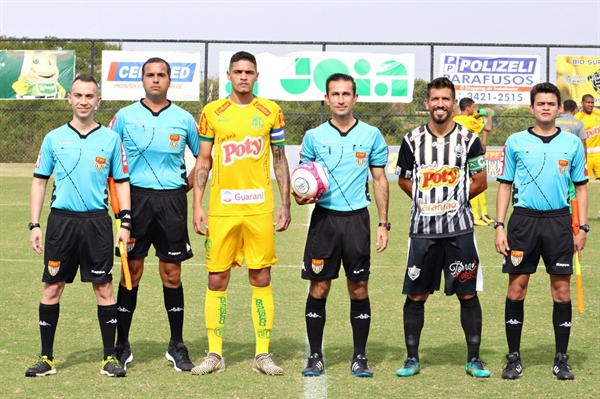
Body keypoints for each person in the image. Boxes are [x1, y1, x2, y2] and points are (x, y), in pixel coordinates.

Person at [191, 51, 291, 376]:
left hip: (260, 209)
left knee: (260, 277)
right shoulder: (212, 112)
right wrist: (197, 205)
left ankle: (262, 354)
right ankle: (215, 355)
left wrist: (286, 203)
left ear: (256, 75)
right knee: (217, 278)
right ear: (229, 75)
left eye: (249, 71)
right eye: (238, 71)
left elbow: (279, 159)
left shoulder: (271, 111)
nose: (243, 77)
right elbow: (203, 161)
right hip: (222, 212)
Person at [26, 74, 130, 377]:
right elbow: (39, 181)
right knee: (52, 287)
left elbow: (122, 183)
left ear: (98, 101)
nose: (84, 101)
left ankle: (109, 358)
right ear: (69, 99)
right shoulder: (54, 138)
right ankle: (46, 358)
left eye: (89, 96)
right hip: (61, 222)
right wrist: (35, 224)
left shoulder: (111, 140)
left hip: (97, 223)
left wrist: (125, 222)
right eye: (78, 96)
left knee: (105, 288)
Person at [395, 77, 490, 378]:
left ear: (453, 102)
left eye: (445, 99)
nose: (439, 104)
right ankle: (412, 359)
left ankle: (474, 359)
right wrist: (425, 201)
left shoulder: (469, 140)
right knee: (416, 295)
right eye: (434, 99)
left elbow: (480, 181)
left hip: (460, 231)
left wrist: (455, 201)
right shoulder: (412, 140)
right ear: (426, 103)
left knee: (467, 293)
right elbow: (403, 178)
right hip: (422, 233)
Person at [295, 73, 389, 378]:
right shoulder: (313, 136)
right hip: (324, 220)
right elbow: (303, 179)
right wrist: (301, 194)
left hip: (357, 221)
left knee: (358, 287)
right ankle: (315, 356)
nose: (340, 99)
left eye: (346, 93)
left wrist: (383, 223)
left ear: (355, 98)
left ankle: (360, 357)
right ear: (327, 98)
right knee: (319, 286)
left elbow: (379, 179)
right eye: (335, 94)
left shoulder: (372, 135)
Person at [108, 57, 200, 372]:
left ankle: (176, 345)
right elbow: (108, 157)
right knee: (130, 273)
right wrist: (119, 204)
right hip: (135, 203)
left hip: (172, 203)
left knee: (172, 273)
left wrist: (183, 190)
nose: (156, 80)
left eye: (161, 75)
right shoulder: (124, 117)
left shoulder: (185, 119)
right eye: (150, 75)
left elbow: (205, 160)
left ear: (169, 80)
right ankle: (122, 344)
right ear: (142, 80)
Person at [495, 82, 588, 381]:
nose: (546, 107)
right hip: (523, 221)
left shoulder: (572, 144)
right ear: (532, 108)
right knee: (516, 288)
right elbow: (505, 185)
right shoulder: (516, 141)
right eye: (540, 103)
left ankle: (561, 359)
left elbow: (581, 187)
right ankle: (513, 358)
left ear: (559, 108)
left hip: (559, 222)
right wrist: (499, 226)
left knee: (561, 291)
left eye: (551, 103)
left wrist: (582, 226)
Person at [453, 98, 494, 226]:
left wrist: (478, 115)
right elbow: (488, 128)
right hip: (471, 153)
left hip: (457, 153)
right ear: (468, 108)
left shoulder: (456, 119)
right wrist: (488, 115)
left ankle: (482, 214)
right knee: (477, 182)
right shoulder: (469, 120)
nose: (474, 109)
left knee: (472, 182)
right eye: (473, 107)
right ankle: (475, 215)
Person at [574, 94, 600, 218]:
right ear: (582, 103)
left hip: (599, 154)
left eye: (592, 102)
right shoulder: (578, 118)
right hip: (585, 155)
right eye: (588, 102)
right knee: (582, 185)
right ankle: (578, 212)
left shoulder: (598, 115)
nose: (590, 105)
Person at [556, 99, 586, 201]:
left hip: (557, 157)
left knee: (559, 182)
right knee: (572, 186)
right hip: (573, 159)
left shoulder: (555, 122)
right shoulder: (579, 123)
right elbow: (583, 144)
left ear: (563, 108)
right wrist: (584, 160)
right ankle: (571, 211)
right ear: (575, 109)